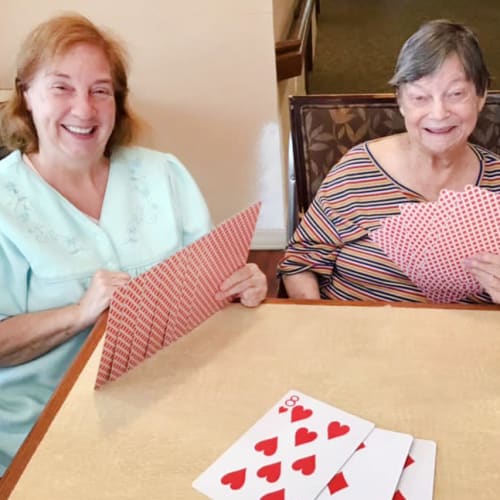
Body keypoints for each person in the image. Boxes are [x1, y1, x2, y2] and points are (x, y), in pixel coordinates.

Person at [0, 13, 267, 475]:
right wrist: (78, 313)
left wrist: (240, 285)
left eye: (100, 90)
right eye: (61, 87)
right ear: (25, 94)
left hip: (172, 395)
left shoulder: (163, 173)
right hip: (44, 424)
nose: (84, 110)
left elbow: (206, 289)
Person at [278, 19, 500, 304]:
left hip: (463, 342)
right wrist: (320, 329)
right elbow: (300, 263)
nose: (438, 113)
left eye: (456, 94)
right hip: (356, 337)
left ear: (481, 97)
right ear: (401, 102)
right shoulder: (355, 173)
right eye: (420, 97)